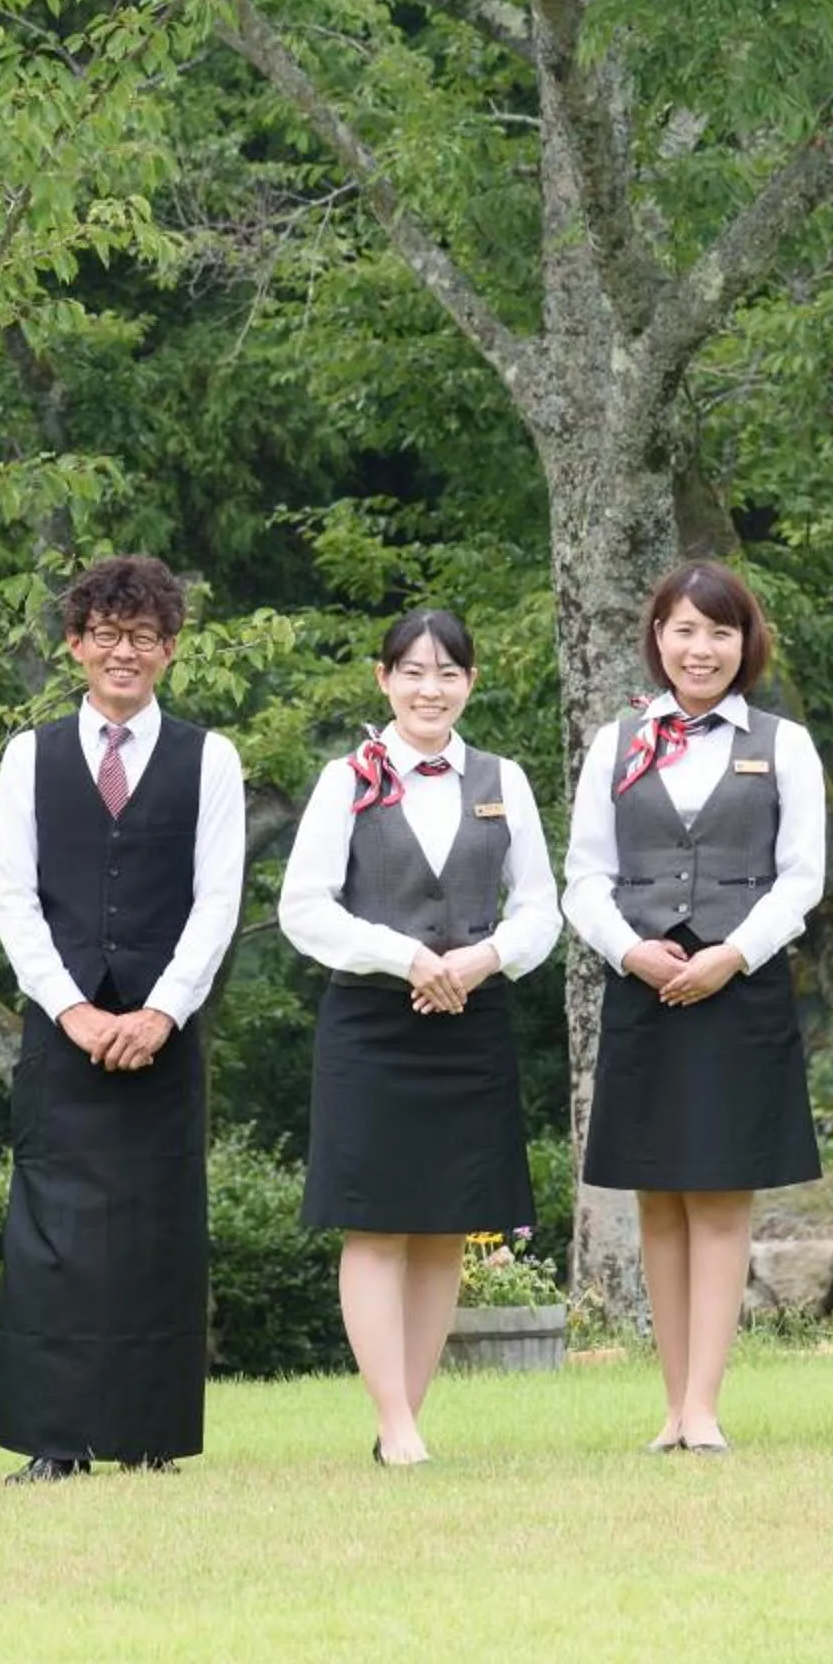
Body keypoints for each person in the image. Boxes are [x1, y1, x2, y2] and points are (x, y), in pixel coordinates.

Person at [277, 609, 562, 1466]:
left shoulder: (503, 779)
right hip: (371, 1024)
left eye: (447, 673)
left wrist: (483, 960)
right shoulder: (347, 780)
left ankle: (406, 1417)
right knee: (375, 1224)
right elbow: (305, 909)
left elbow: (541, 908)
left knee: (447, 1225)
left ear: (470, 684)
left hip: (473, 1023)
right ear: (383, 680)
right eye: (412, 671)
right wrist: (406, 957)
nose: (429, 688)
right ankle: (395, 1425)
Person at [0, 555, 245, 1482]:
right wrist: (73, 1011)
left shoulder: (210, 758)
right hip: (63, 1032)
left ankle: (148, 1439)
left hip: (165, 1035)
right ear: (75, 645)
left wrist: (162, 1013)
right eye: (106, 635)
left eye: (143, 637)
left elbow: (219, 900)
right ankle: (54, 1443)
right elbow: (12, 899)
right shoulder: (31, 755)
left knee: (156, 1231)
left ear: (169, 651)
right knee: (52, 1237)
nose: (123, 652)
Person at [563, 560, 825, 1454]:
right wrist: (628, 949)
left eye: (719, 631)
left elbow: (803, 879)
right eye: (683, 629)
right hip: (643, 989)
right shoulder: (620, 742)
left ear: (744, 643)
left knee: (718, 1197)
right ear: (659, 640)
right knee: (659, 1199)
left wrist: (733, 955)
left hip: (737, 992)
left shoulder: (781, 743)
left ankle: (705, 1405)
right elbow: (585, 877)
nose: (700, 647)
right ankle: (672, 1407)